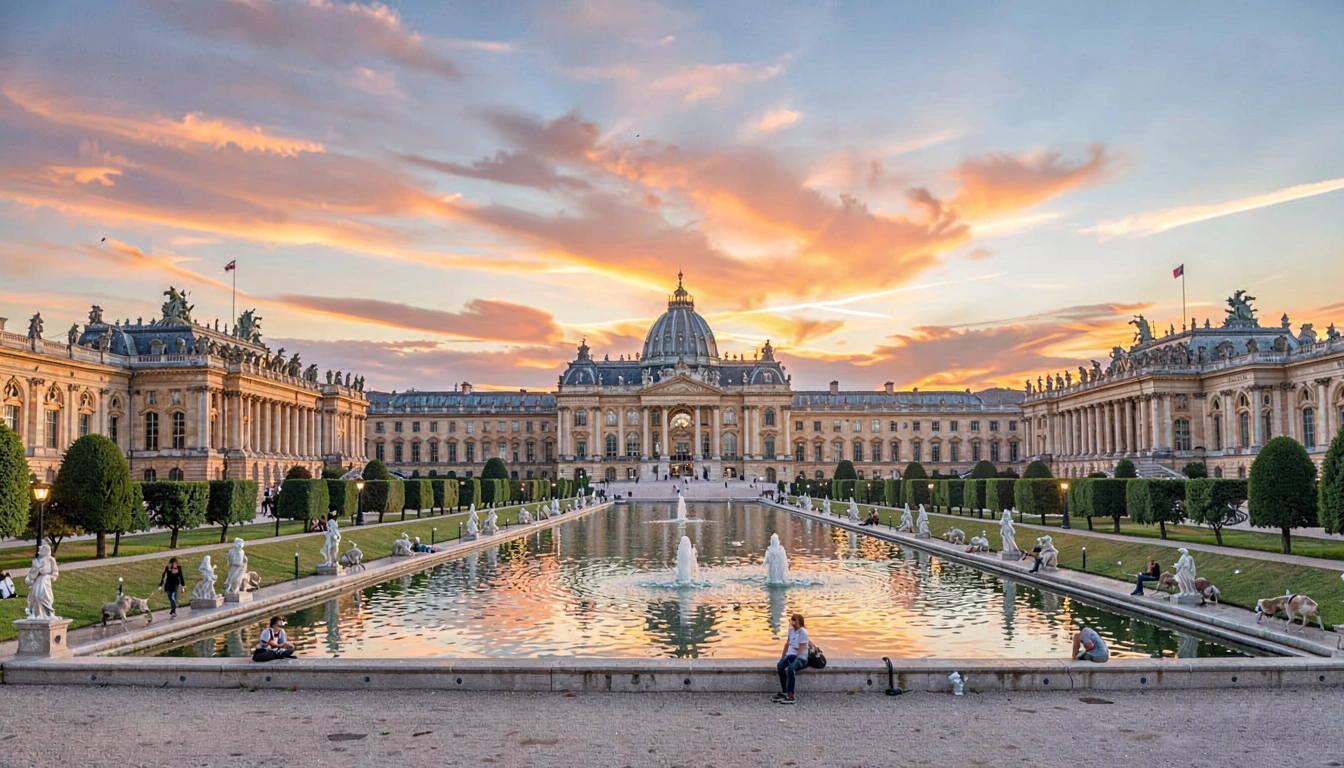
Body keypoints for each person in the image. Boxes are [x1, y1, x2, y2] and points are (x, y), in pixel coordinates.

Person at [774, 613, 809, 705]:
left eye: (794, 619)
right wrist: (783, 657)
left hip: (801, 657)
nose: (792, 621)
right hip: (791, 655)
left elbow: (802, 648)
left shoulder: (803, 632)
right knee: (780, 665)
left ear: (799, 622)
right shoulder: (791, 630)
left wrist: (795, 658)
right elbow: (788, 643)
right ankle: (784, 691)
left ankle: (791, 695)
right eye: (791, 619)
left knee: (790, 669)